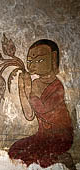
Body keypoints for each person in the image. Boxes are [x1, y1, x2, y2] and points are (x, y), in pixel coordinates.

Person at [8, 39, 74, 168]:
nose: (32, 65)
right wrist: (22, 89)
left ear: (53, 60)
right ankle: (53, 157)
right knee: (15, 151)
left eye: (38, 61)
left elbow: (43, 111)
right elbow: (29, 115)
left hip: (61, 137)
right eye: (29, 61)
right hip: (42, 136)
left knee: (38, 157)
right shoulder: (36, 83)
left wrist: (30, 91)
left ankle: (62, 158)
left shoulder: (57, 85)